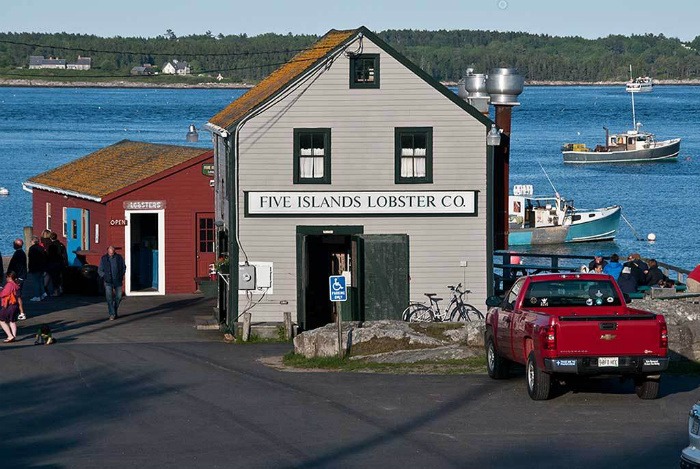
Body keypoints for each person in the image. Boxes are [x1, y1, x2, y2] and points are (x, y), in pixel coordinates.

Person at [98, 246, 126, 320]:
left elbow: (123, 267)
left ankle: (114, 309)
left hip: (118, 280)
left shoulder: (119, 258)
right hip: (108, 281)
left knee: (119, 297)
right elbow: (100, 270)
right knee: (109, 298)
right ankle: (112, 314)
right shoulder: (104, 258)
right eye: (110, 253)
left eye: (113, 252)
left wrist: (121, 274)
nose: (111, 254)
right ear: (108, 251)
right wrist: (105, 276)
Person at [7, 239, 27, 320]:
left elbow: (17, 267)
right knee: (17, 296)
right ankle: (18, 312)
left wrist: (15, 277)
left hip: (18, 278)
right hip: (19, 277)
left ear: (16, 245)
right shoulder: (21, 253)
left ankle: (20, 312)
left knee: (16, 296)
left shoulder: (18, 254)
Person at [0, 272, 21, 342]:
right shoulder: (16, 285)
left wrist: (1, 291)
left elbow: (4, 294)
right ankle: (14, 336)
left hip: (8, 305)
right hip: (15, 305)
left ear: (9, 277)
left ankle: (10, 336)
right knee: (12, 321)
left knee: (1, 321)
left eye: (6, 277)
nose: (6, 278)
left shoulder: (9, 284)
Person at [47, 232, 68, 296]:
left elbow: (49, 256)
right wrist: (66, 263)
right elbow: (65, 255)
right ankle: (61, 289)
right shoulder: (61, 245)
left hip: (53, 263)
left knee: (54, 278)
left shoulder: (51, 246)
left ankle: (56, 292)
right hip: (61, 263)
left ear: (50, 238)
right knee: (60, 276)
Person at [27, 236, 48, 302]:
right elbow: (44, 257)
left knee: (36, 282)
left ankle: (37, 296)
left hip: (35, 267)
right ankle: (43, 294)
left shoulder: (31, 248)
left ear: (33, 241)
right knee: (40, 281)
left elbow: (30, 259)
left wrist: (29, 268)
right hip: (41, 267)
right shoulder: (41, 248)